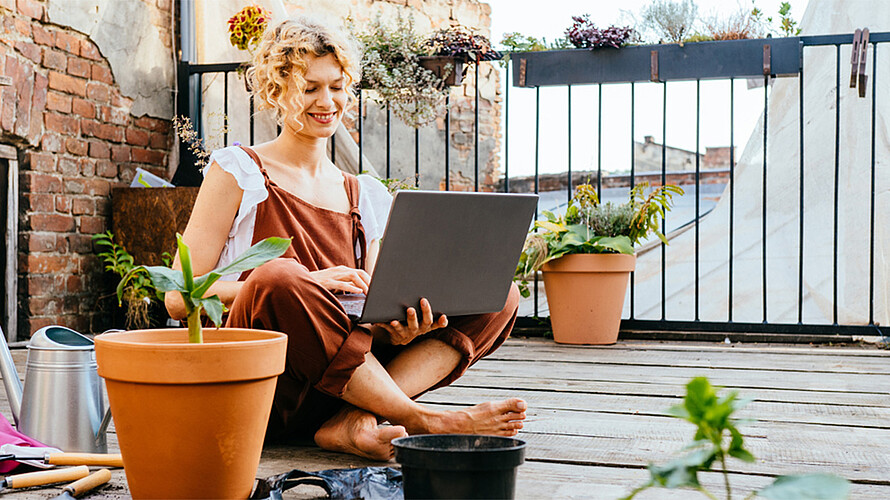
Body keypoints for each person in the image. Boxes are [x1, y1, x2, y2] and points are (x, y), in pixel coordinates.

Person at [165, 15, 525, 461]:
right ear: (275, 92)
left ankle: (355, 419)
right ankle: (418, 418)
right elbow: (180, 298)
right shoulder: (237, 170)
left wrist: (401, 325)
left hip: (343, 386)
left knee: (499, 295)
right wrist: (307, 286)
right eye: (310, 87)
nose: (327, 101)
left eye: (336, 86)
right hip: (267, 389)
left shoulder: (364, 193)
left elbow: (373, 314)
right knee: (279, 278)